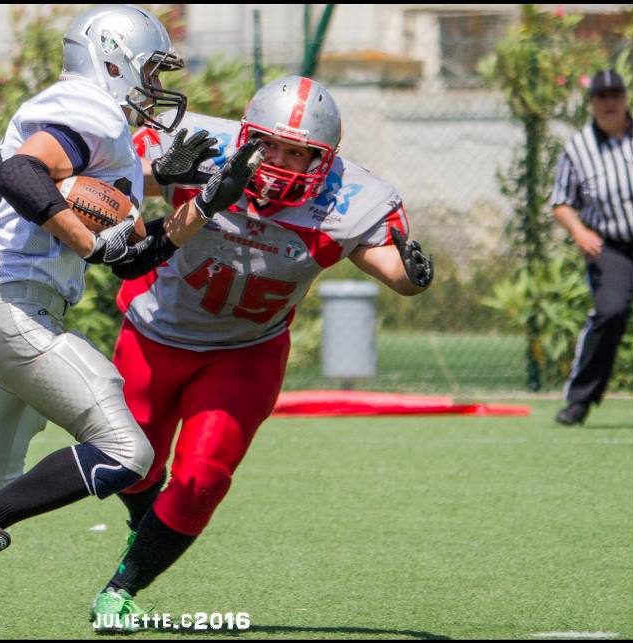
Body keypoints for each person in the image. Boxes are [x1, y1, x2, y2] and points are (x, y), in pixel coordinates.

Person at [0, 5, 261, 639]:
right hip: (12, 305)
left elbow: (133, 256)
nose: (154, 87)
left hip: (2, 309)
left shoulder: (103, 134)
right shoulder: (89, 106)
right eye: (147, 70)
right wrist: (88, 242)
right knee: (126, 451)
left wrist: (204, 201)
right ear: (112, 61)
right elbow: (20, 173)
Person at [86, 75, 435, 632]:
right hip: (154, 330)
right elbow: (105, 179)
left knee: (202, 479)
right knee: (129, 464)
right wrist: (159, 173)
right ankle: (146, 525)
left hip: (244, 352)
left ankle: (123, 586)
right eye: (269, 144)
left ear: (325, 160)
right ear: (247, 133)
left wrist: (412, 277)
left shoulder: (349, 199)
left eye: (298, 153)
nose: (279, 162)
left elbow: (391, 268)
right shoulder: (200, 144)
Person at [551, 69, 633, 426]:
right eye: (602, 97)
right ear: (592, 103)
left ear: (625, 98)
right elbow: (561, 202)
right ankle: (579, 400)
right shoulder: (578, 149)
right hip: (611, 244)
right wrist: (579, 231)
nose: (609, 103)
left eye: (615, 95)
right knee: (610, 312)